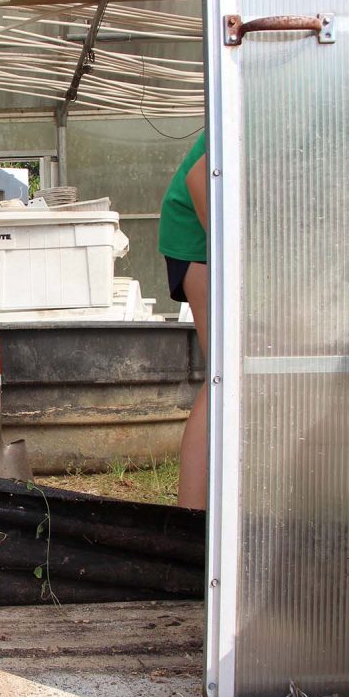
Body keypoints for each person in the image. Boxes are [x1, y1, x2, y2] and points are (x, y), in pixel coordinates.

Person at [158, 132, 208, 510]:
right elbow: (199, 176)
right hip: (199, 243)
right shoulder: (270, 100)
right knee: (225, 376)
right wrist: (234, 252)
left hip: (200, 239)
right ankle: (192, 518)